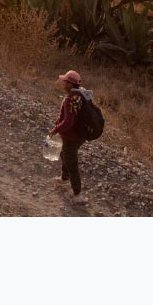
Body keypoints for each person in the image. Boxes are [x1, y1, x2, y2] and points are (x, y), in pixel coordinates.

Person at [49, 70, 93, 205]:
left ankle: (77, 194)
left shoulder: (70, 99)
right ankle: (64, 179)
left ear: (70, 84)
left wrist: (55, 130)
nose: (63, 83)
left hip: (71, 137)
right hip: (80, 136)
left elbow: (68, 121)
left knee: (72, 163)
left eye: (65, 81)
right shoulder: (80, 96)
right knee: (64, 154)